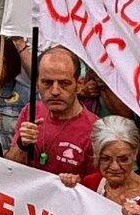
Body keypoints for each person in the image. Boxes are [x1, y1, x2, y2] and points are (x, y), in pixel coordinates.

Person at [61, 116, 140, 215]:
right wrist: (65, 189)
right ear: (96, 154)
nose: (115, 167)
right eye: (106, 159)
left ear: (135, 153)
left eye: (123, 159)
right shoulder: (91, 183)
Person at [11, 45, 97, 176]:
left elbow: (97, 188)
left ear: (79, 85)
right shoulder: (30, 111)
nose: (55, 91)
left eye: (64, 83)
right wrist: (22, 145)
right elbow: (9, 168)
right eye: (47, 83)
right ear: (37, 83)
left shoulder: (95, 130)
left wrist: (76, 184)